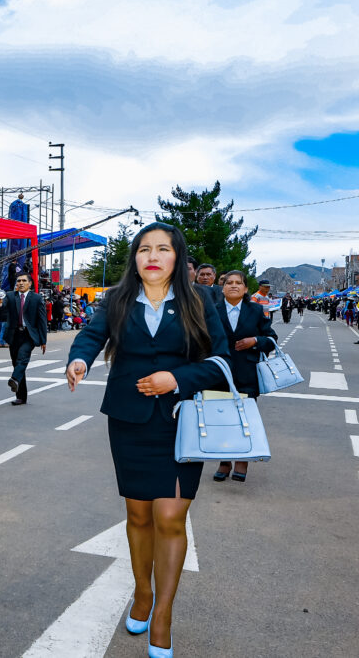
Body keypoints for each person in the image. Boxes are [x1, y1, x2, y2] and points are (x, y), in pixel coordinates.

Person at [66, 222, 229, 657]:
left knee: (171, 519)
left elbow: (220, 360)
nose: (152, 256)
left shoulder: (198, 301)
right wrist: (79, 360)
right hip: (129, 421)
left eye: (162, 249)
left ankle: (163, 614)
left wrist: (174, 377)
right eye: (144, 249)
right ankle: (142, 593)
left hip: (181, 420)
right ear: (134, 258)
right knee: (138, 516)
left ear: (177, 257)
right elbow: (90, 335)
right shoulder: (118, 300)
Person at [212, 270, 277, 484]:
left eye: (238, 283)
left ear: (245, 288)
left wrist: (255, 341)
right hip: (219, 373)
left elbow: (271, 339)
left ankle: (242, 460)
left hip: (247, 374)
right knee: (221, 419)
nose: (233, 286)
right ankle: (224, 461)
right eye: (229, 282)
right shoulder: (212, 311)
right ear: (223, 288)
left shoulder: (256, 310)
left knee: (244, 419)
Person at [0, 272, 48, 405]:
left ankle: (14, 378)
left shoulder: (36, 298)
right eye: (18, 281)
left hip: (29, 335)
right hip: (14, 334)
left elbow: (42, 320)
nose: (21, 283)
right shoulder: (11, 296)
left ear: (30, 283)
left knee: (22, 357)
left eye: (24, 281)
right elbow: (3, 311)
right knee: (16, 363)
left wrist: (43, 340)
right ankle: (21, 396)